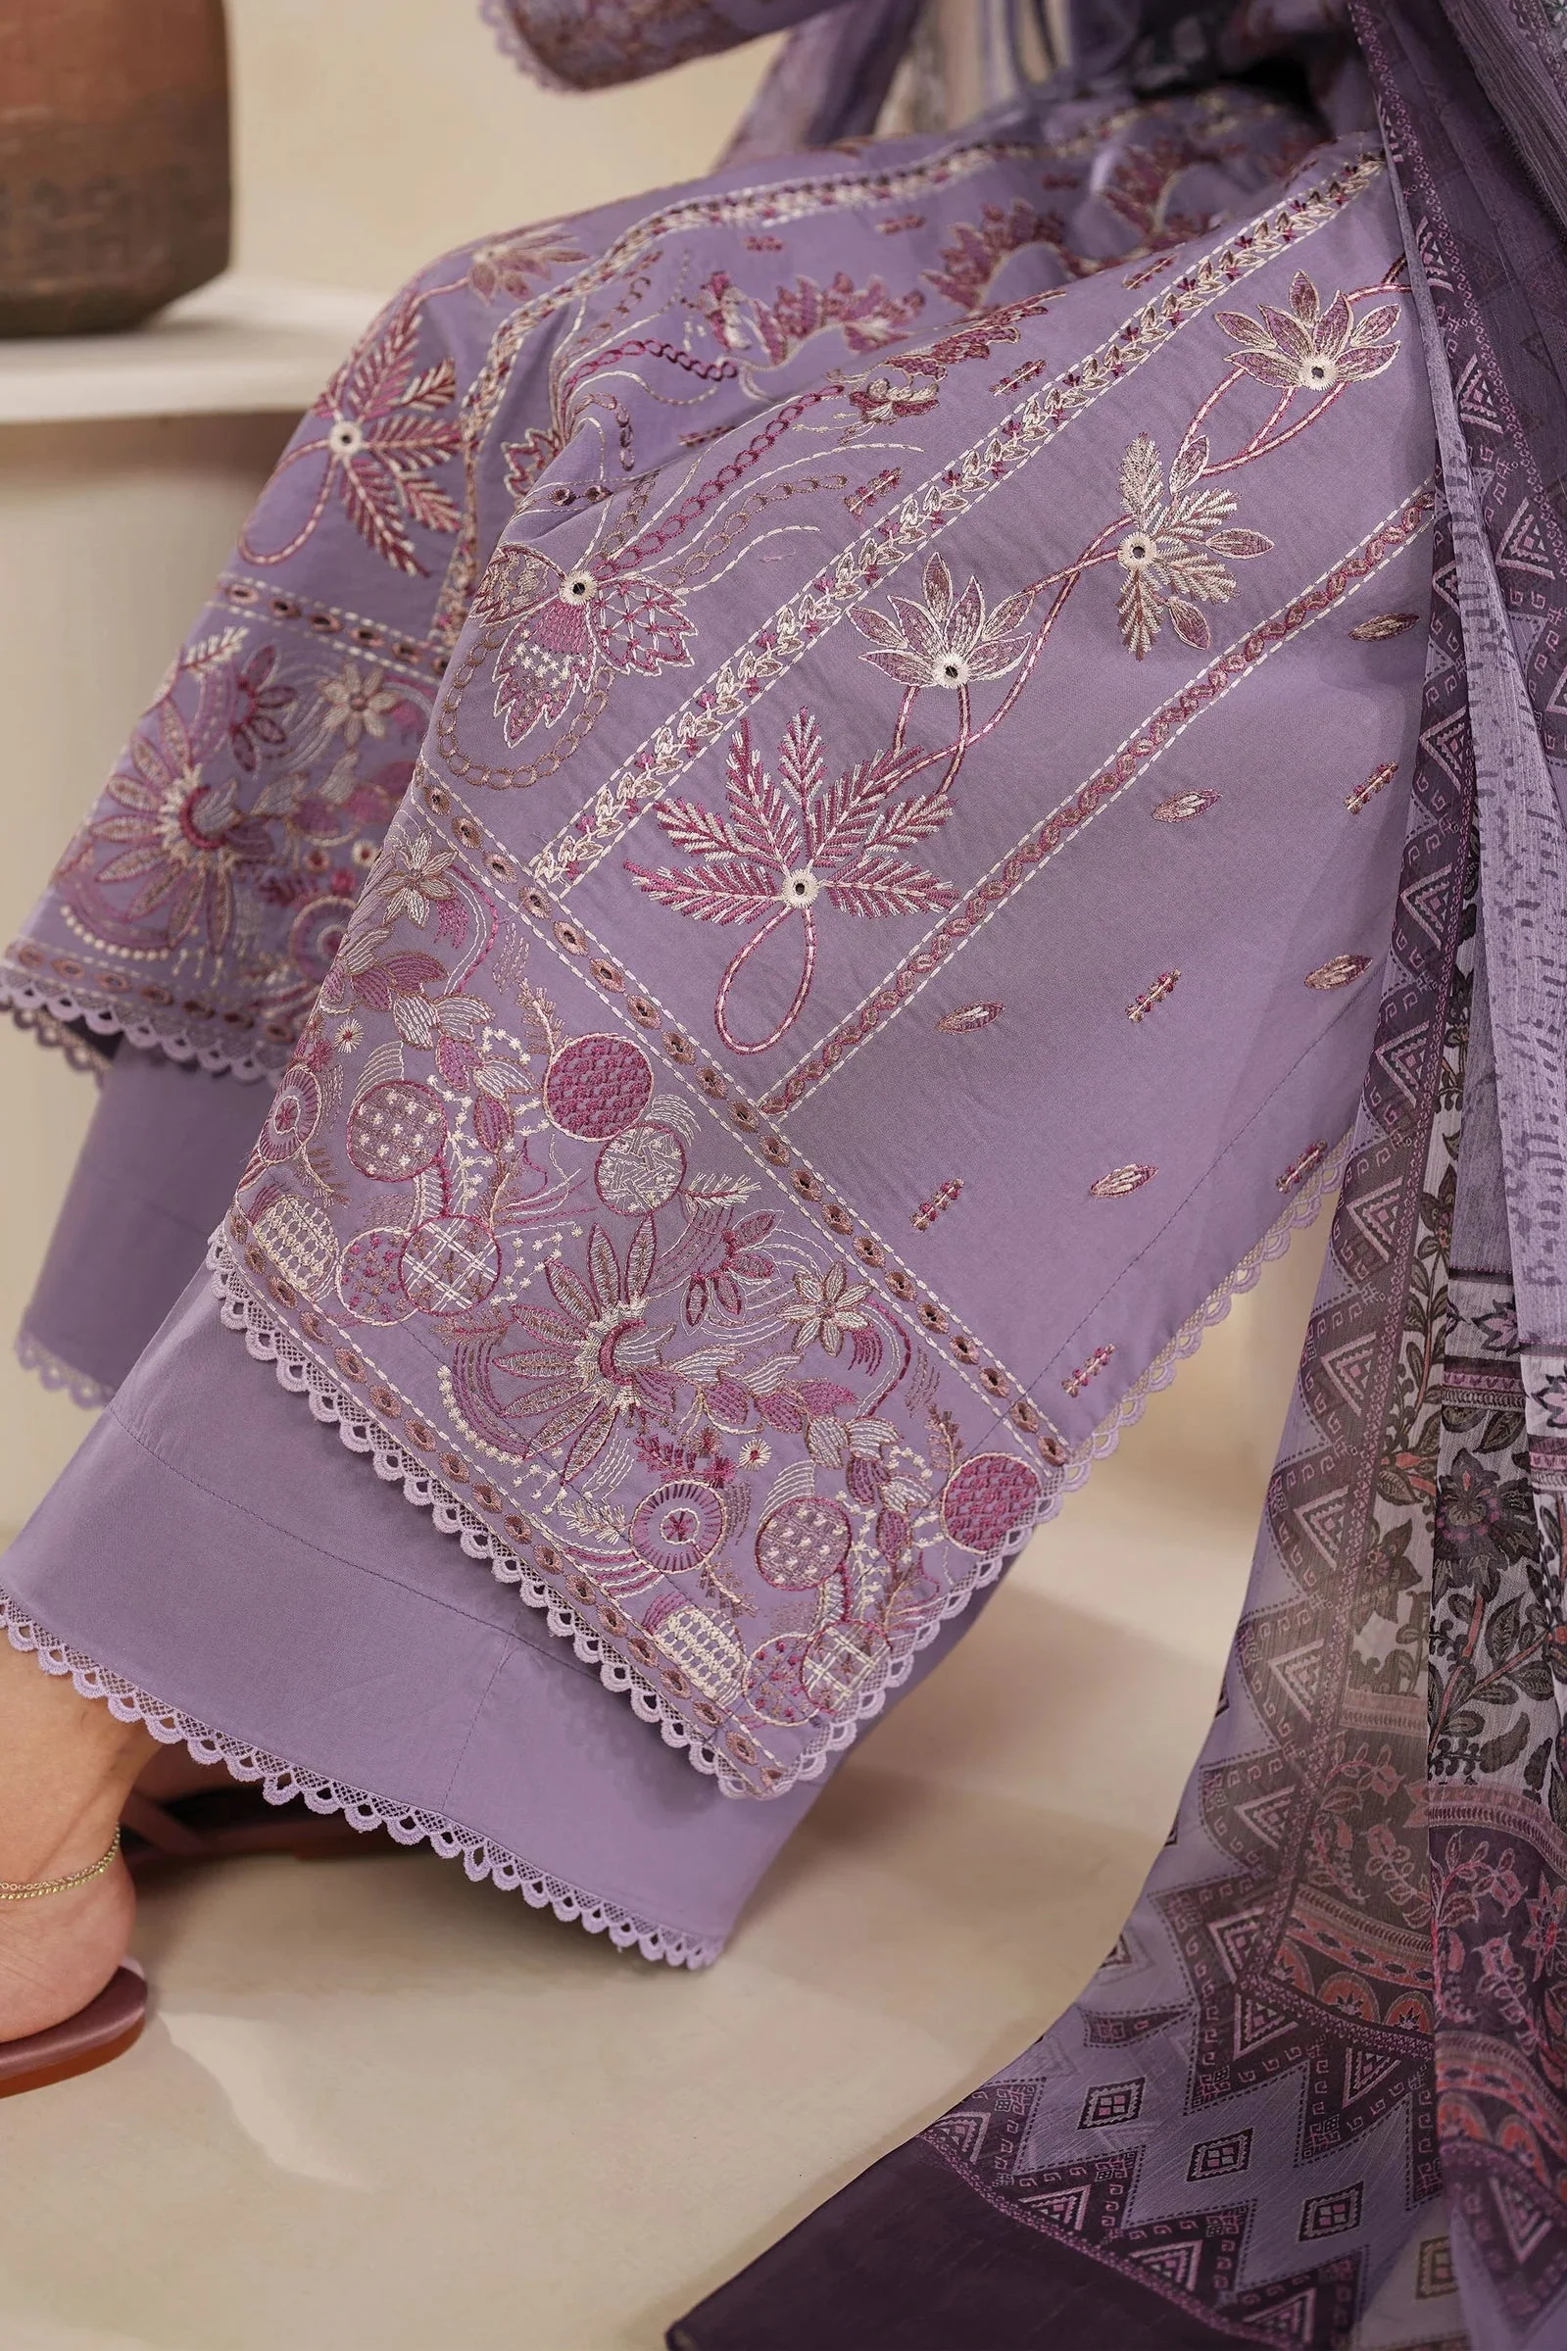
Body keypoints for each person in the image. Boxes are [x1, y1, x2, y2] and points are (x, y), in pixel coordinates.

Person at [2, 3, 1565, 2343]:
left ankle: (71, 1720)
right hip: (1280, 127)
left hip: (1506, 269)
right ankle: (273, 1637)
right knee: (504, 343)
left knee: (888, 628)